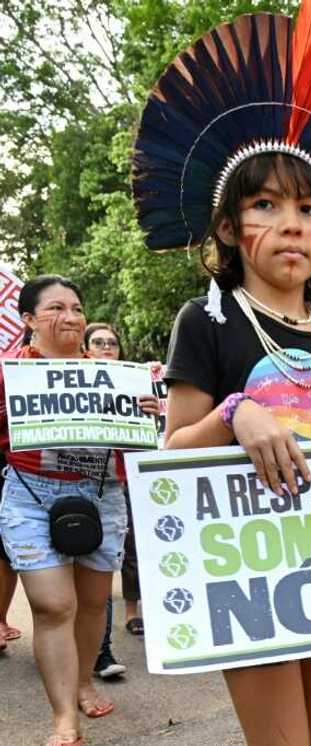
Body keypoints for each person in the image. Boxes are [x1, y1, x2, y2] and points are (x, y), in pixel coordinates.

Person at [132, 2, 311, 743]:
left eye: (309, 208)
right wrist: (233, 415)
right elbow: (168, 457)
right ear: (227, 228)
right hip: (245, 576)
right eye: (265, 204)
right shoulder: (207, 322)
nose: (292, 223)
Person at [0, 275, 159, 746]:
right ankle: (63, 718)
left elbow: (137, 440)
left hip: (101, 494)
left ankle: (85, 681)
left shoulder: (115, 375)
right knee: (54, 606)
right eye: (55, 309)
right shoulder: (8, 373)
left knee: (92, 603)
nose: (70, 317)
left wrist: (145, 412)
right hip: (30, 494)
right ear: (28, 320)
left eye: (76, 308)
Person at [82, 323, 138, 682]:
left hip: (115, 486)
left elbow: (140, 444)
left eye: (112, 343)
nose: (106, 347)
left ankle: (100, 653)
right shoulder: (66, 381)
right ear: (86, 349)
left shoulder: (133, 384)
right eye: (99, 342)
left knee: (100, 575)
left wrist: (146, 415)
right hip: (69, 489)